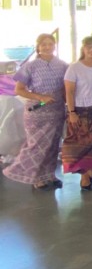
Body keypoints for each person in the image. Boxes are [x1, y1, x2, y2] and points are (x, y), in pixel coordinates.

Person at [2, 34, 68, 190]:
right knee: (37, 145)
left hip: (57, 109)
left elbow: (67, 86)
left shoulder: (63, 65)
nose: (47, 47)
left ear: (55, 45)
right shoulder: (30, 66)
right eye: (43, 44)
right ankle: (36, 177)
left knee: (53, 144)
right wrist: (40, 97)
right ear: (38, 47)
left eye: (50, 44)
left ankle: (49, 175)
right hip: (37, 110)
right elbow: (19, 90)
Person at [63, 36, 92, 191]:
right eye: (88, 47)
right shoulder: (74, 67)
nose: (91, 50)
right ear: (83, 49)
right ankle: (84, 176)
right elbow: (69, 92)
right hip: (81, 110)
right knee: (81, 144)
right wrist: (72, 112)